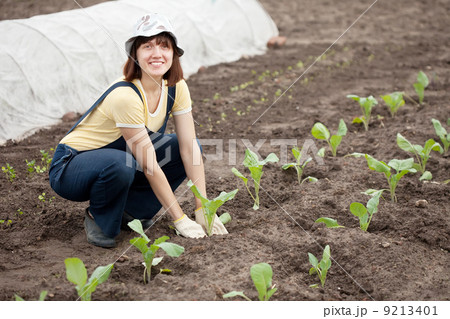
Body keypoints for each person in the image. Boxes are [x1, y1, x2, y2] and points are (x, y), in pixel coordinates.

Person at [49, 13, 228, 248]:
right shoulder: (126, 95)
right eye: (148, 46)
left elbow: (189, 147)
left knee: (175, 149)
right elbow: (149, 163)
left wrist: (203, 207)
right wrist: (180, 219)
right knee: (121, 164)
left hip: (122, 158)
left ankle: (129, 212)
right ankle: (99, 217)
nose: (157, 53)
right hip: (72, 166)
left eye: (164, 45)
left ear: (174, 53)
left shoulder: (176, 87)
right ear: (135, 55)